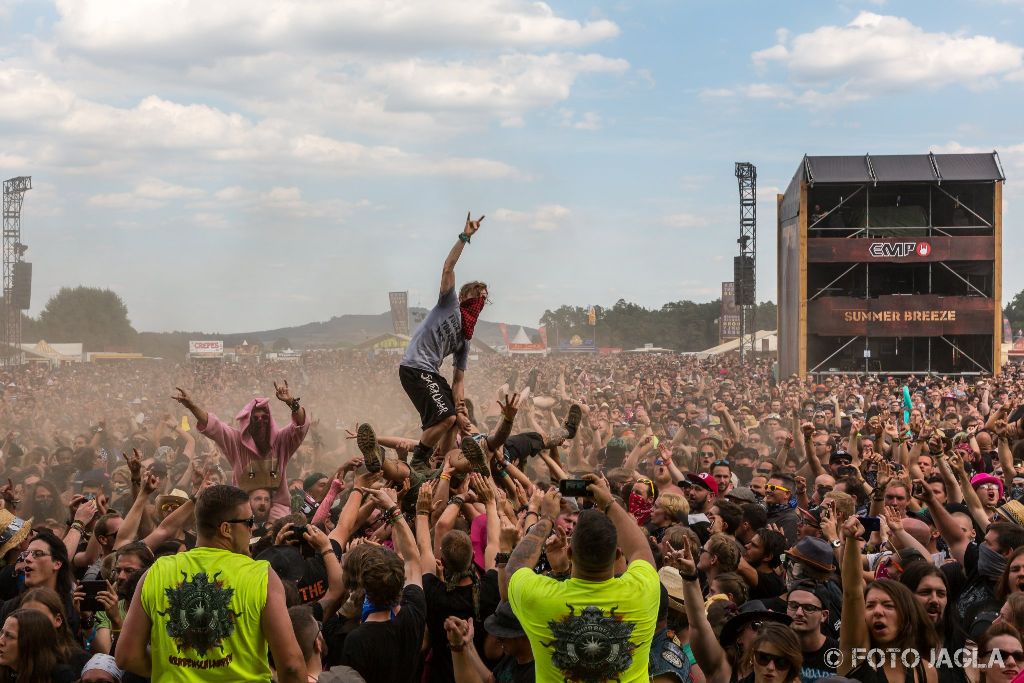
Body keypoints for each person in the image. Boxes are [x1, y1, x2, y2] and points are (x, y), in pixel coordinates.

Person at [116, 484, 306, 682]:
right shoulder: (261, 576)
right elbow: (291, 666)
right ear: (226, 529)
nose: (252, 529)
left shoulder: (155, 573)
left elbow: (127, 656)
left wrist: (172, 669)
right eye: (248, 522)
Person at [506, 476, 659, 682]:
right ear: (616, 555)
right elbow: (640, 549)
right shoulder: (642, 590)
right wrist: (608, 503)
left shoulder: (539, 597)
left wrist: (546, 519)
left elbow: (514, 568)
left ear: (569, 552)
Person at [389, 213, 488, 474]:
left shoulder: (465, 339)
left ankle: (438, 462)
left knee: (454, 419)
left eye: (485, 299)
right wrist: (464, 237)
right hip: (414, 367)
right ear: (465, 296)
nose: (481, 301)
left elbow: (458, 380)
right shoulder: (449, 304)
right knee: (446, 417)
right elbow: (448, 267)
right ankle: (420, 461)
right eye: (478, 295)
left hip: (429, 372)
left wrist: (463, 408)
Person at [172, 382, 310, 521]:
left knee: (280, 533)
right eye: (255, 419)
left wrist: (292, 402)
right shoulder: (236, 442)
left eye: (264, 418)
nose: (260, 421)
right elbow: (214, 427)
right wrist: (191, 406)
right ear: (248, 423)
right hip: (242, 506)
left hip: (277, 508)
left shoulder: (280, 441)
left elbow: (300, 427)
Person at [338, 486, 425, 682]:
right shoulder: (413, 613)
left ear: (363, 586)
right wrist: (393, 508)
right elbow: (412, 559)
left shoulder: (355, 639)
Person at [443, 602, 536, 683]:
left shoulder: (534, 675)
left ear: (522, 636)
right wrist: (468, 644)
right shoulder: (514, 657)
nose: (498, 639)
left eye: (504, 636)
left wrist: (457, 647)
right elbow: (490, 680)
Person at [0, 607, 78, 683]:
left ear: (32, 642)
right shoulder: (5, 672)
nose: (1, 641)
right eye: (1, 633)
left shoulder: (60, 676)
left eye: (10, 636)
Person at [784, 580, 837, 683]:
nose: (799, 613)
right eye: (793, 605)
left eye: (809, 608)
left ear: (824, 615)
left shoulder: (839, 653)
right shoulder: (777, 649)